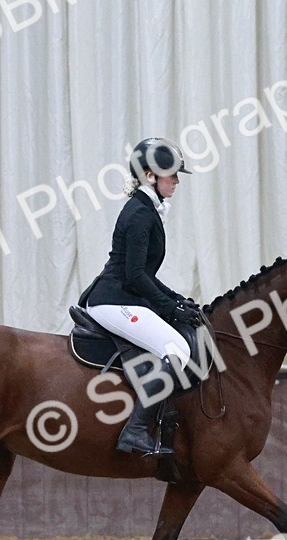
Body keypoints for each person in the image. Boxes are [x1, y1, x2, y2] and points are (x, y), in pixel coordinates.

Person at [78, 138, 201, 456]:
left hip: (124, 296)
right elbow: (134, 276)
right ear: (150, 176)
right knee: (177, 350)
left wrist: (176, 300)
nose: (175, 181)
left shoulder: (146, 209)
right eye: (171, 174)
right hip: (113, 300)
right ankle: (134, 431)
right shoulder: (140, 215)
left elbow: (145, 274)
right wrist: (170, 311)